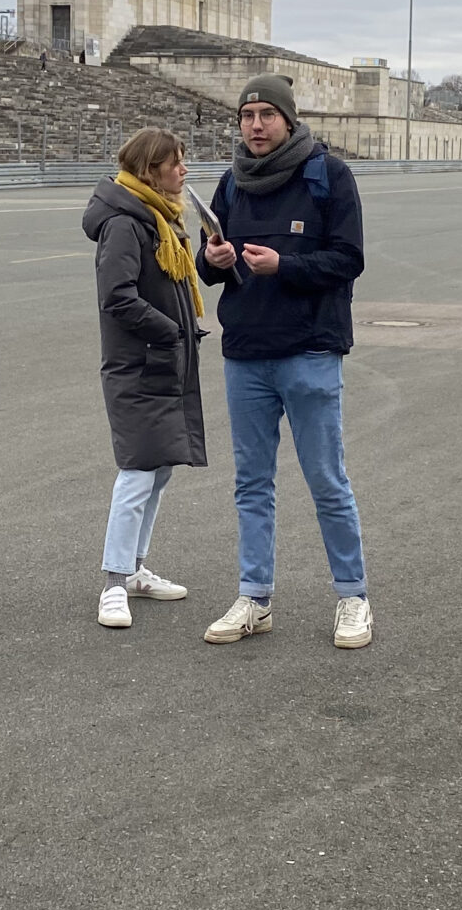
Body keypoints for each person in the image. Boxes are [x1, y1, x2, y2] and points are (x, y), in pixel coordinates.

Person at [196, 74, 372, 650]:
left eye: (267, 114)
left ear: (289, 120)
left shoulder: (329, 176)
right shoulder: (232, 182)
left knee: (326, 479)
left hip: (310, 351)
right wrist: (214, 258)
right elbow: (208, 267)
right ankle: (255, 596)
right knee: (251, 483)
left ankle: (352, 597)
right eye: (247, 115)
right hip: (246, 354)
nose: (255, 125)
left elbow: (348, 259)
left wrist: (285, 266)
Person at [82, 127, 207, 627]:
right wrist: (171, 329)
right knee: (137, 470)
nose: (183, 170)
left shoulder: (159, 216)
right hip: (138, 364)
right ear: (150, 169)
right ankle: (113, 583)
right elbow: (117, 297)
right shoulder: (124, 223)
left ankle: (134, 569)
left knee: (159, 468)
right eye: (175, 163)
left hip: (162, 360)